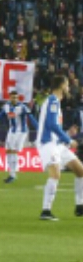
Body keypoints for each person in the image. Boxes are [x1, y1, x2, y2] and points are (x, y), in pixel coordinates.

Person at [35, 75, 83, 221]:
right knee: (55, 174)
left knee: (80, 170)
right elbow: (52, 125)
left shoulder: (53, 102)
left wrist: (67, 133)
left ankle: (80, 205)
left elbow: (53, 127)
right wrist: (68, 140)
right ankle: (46, 211)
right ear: (62, 85)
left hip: (56, 144)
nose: (68, 88)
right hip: (47, 143)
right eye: (67, 85)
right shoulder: (53, 101)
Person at [0, 91, 38, 183]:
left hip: (21, 132)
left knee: (14, 150)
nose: (15, 99)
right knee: (8, 150)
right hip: (12, 131)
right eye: (13, 97)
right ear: (9, 98)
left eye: (16, 97)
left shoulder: (22, 107)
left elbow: (31, 118)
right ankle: (11, 174)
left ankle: (13, 174)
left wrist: (38, 128)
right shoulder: (7, 107)